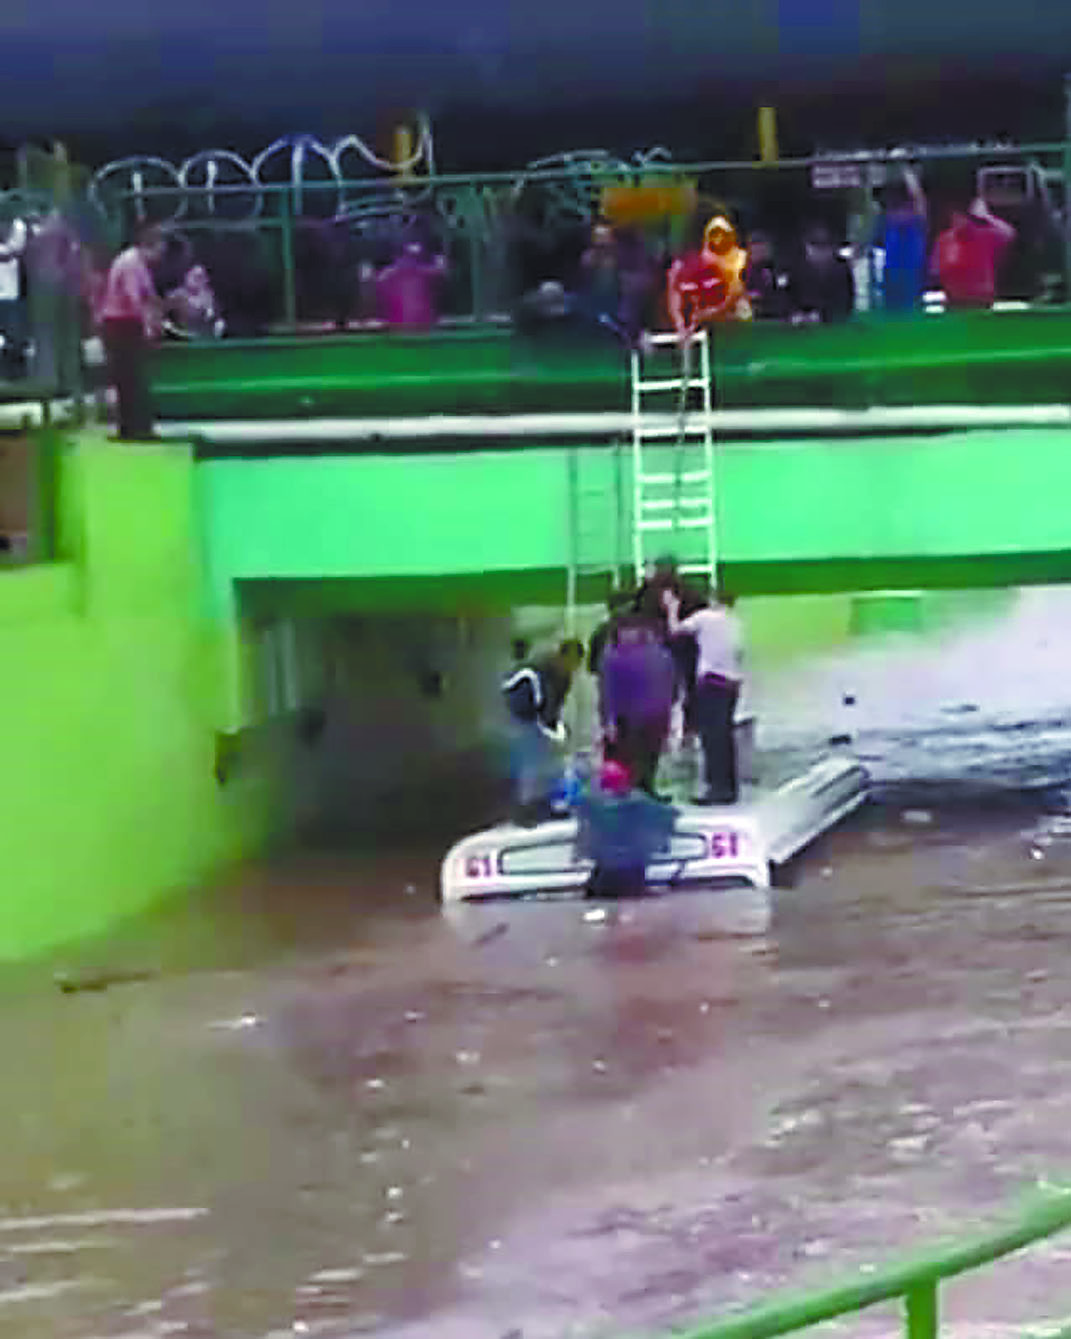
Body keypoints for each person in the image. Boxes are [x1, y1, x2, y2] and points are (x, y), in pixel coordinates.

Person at [663, 586, 745, 805]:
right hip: (732, 684)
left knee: (712, 737)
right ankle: (728, 785)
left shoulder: (704, 618)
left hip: (712, 683)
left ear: (713, 599)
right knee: (725, 736)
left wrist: (672, 608)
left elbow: (675, 631)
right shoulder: (735, 622)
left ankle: (716, 787)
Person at [501, 639, 584, 825]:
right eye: (572, 662)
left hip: (536, 718)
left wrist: (556, 728)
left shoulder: (563, 675)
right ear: (563, 656)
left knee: (545, 762)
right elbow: (542, 701)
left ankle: (544, 804)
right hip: (523, 717)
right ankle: (525, 809)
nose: (574, 667)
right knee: (530, 763)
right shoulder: (540, 670)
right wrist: (550, 726)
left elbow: (554, 705)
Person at [99, 224, 166, 440]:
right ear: (150, 246)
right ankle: (133, 429)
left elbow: (149, 294)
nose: (160, 257)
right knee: (130, 380)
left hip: (126, 323)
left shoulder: (139, 263)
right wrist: (148, 326)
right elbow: (134, 298)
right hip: (121, 325)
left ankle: (136, 427)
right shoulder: (130, 263)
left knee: (134, 379)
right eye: (160, 250)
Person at [599, 615, 676, 800]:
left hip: (652, 713)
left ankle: (644, 790)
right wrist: (608, 719)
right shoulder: (614, 657)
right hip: (631, 715)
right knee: (633, 756)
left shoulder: (657, 653)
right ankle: (634, 792)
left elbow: (670, 681)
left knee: (648, 755)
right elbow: (608, 689)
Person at [576, 759, 676, 899]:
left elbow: (580, 811)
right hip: (632, 870)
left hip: (605, 871)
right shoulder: (638, 800)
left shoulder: (591, 802)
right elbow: (668, 814)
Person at [666, 212, 752, 340]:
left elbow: (735, 294)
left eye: (723, 234)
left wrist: (709, 314)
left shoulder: (739, 259)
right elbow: (675, 294)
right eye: (715, 234)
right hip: (698, 322)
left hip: (726, 321)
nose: (719, 238)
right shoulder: (685, 267)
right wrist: (681, 323)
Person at [931, 199, 1015, 310]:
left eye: (962, 217)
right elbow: (935, 268)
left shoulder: (986, 236)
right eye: (955, 217)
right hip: (954, 299)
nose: (958, 221)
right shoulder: (945, 239)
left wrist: (987, 217)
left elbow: (1009, 233)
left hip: (981, 299)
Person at [879, 160, 928, 315]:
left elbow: (918, 198)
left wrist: (905, 170)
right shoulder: (888, 226)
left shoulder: (916, 226)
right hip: (891, 283)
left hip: (912, 282)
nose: (897, 214)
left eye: (902, 210)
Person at [787, 225, 855, 325]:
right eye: (815, 247)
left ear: (831, 249)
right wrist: (796, 314)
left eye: (823, 247)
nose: (819, 252)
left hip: (833, 325)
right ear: (807, 247)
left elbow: (845, 301)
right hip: (802, 325)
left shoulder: (842, 269)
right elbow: (790, 295)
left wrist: (822, 316)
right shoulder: (797, 268)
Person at [375, 240, 447, 330]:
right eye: (408, 257)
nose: (410, 261)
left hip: (423, 324)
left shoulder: (424, 273)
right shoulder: (389, 275)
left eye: (414, 258)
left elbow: (440, 273)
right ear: (399, 257)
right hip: (400, 324)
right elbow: (379, 287)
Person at [0, 215, 28, 378]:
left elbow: (14, 249)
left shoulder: (17, 225)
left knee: (13, 335)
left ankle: (16, 372)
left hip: (10, 291)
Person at [164, 264, 224, 339]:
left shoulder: (210, 297)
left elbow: (218, 319)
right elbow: (164, 321)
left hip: (204, 341)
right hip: (180, 341)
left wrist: (218, 328)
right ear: (186, 276)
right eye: (193, 276)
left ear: (206, 279)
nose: (197, 280)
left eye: (200, 277)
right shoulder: (174, 296)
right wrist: (176, 333)